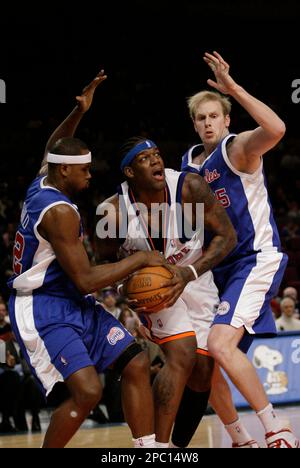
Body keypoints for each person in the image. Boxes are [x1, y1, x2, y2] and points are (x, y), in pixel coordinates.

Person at [7, 71, 169, 448]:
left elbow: (53, 146)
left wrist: (78, 112)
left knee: (136, 361)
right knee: (88, 392)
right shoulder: (59, 212)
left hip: (71, 300)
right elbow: (86, 279)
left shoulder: (42, 181)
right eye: (84, 170)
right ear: (65, 170)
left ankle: (147, 450)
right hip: (43, 307)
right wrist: (143, 257)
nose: (89, 176)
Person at [175, 51, 299, 448]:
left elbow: (276, 128)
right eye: (201, 118)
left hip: (255, 259)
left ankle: (278, 430)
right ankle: (241, 439)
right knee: (203, 365)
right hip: (220, 272)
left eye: (214, 115)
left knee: (218, 344)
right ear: (193, 124)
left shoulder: (237, 149)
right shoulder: (188, 168)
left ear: (226, 120)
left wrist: (233, 89)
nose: (208, 122)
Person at [95, 135, 236, 447]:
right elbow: (101, 262)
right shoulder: (113, 211)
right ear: (129, 172)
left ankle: (176, 448)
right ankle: (157, 448)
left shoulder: (190, 188)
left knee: (202, 369)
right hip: (153, 287)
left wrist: (189, 272)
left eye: (157, 154)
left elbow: (227, 236)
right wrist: (124, 288)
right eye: (145, 159)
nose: (156, 160)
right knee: (182, 353)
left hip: (195, 276)